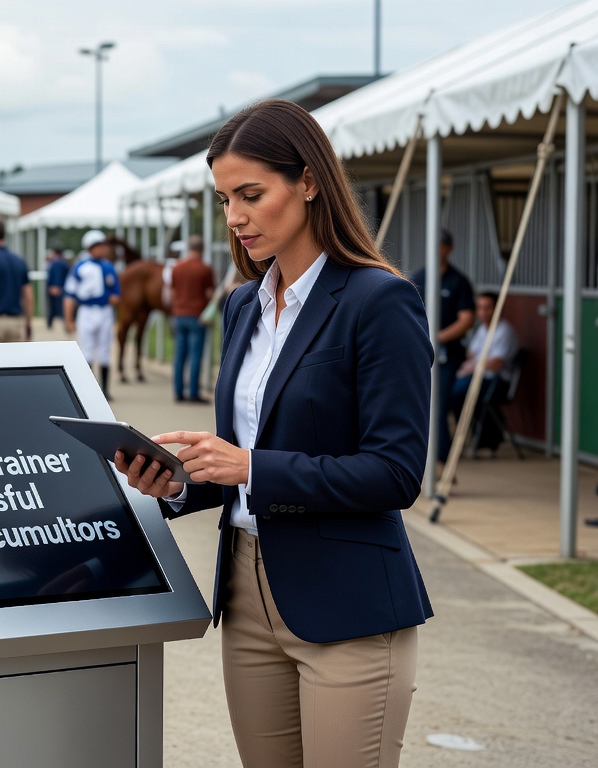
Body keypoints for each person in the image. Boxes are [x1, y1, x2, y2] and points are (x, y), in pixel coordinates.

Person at [118, 99, 432, 768]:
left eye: (251, 194)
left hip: (347, 606)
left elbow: (396, 473)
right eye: (225, 197)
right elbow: (241, 458)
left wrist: (252, 468)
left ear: (310, 182)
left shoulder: (380, 302)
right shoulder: (243, 304)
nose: (234, 216)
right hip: (247, 595)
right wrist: (174, 481)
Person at [409, 229, 475, 463]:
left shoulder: (459, 281)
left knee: (439, 407)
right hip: (419, 352)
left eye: (441, 245)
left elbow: (467, 319)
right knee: (417, 405)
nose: (437, 249)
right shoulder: (417, 278)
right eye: (433, 244)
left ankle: (441, 461)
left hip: (448, 355)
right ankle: (419, 456)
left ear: (449, 248)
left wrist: (437, 337)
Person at [450, 291, 518, 435]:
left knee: (456, 391)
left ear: (498, 308)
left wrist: (472, 366)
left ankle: (464, 433)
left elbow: (495, 364)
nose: (483, 312)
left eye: (487, 307)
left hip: (496, 381)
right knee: (449, 385)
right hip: (478, 376)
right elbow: (471, 354)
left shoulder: (504, 330)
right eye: (479, 307)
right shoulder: (481, 329)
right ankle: (465, 433)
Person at [62, 230, 120, 398]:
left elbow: (116, 294)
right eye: (98, 246)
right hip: (87, 310)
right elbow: (70, 295)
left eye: (103, 246)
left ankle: (105, 389)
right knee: (86, 349)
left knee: (104, 349)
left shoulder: (109, 267)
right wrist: (68, 318)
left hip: (104, 311)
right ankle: (87, 389)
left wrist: (113, 298)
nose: (102, 249)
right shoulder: (80, 267)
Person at [170, 234, 215, 403]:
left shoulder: (177, 267)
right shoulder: (204, 269)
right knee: (195, 355)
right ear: (202, 249)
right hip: (197, 316)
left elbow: (172, 292)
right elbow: (209, 293)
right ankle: (194, 393)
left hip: (179, 314)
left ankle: (178, 392)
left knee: (179, 355)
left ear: (189, 249)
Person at [44, 248, 69, 329]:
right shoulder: (63, 262)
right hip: (61, 288)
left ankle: (56, 324)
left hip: (56, 288)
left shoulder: (57, 263)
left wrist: (56, 285)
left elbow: (57, 275)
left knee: (55, 307)